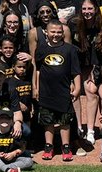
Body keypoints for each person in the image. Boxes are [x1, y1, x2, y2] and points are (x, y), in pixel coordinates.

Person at [34, 16, 81, 163]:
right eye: (52, 32)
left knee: (64, 121)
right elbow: (37, 70)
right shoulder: (41, 48)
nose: (55, 35)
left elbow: (76, 71)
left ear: (63, 33)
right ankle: (49, 147)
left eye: (58, 32)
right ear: (46, 32)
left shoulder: (70, 49)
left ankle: (65, 147)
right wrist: (35, 87)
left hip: (63, 91)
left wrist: (78, 87)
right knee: (48, 120)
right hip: (46, 92)